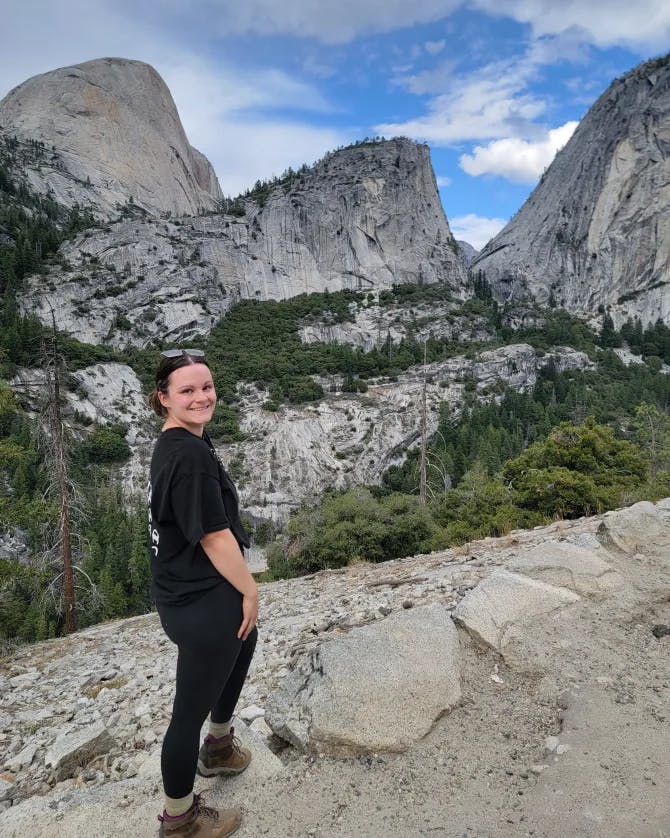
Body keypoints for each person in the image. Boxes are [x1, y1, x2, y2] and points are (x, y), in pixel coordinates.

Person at [147, 348, 259, 838]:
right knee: (184, 715)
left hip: (186, 590)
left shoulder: (180, 440)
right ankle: (180, 820)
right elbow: (214, 537)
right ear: (163, 398)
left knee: (246, 641)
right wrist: (250, 588)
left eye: (206, 386)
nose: (201, 397)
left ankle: (218, 748)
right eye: (187, 390)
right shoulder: (188, 456)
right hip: (199, 600)